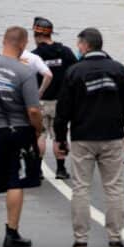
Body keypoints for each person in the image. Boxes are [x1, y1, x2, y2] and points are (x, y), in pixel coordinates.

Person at [54, 27, 124, 247]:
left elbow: (64, 109)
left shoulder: (74, 72)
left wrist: (60, 138)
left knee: (81, 187)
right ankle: (115, 236)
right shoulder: (119, 70)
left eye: (79, 44)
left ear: (85, 45)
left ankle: (81, 237)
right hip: (112, 136)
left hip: (83, 136)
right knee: (114, 187)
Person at [0, 26, 43, 247]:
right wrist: (38, 129)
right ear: (23, 45)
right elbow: (33, 110)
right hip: (18, 131)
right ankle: (11, 232)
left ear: (3, 40)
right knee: (15, 180)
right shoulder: (25, 73)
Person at [30, 17, 78, 180]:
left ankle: (37, 170)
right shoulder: (65, 52)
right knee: (60, 135)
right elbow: (75, 75)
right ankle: (61, 169)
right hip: (61, 101)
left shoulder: (34, 55)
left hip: (41, 101)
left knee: (40, 135)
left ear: (37, 35)